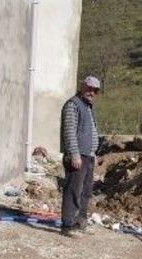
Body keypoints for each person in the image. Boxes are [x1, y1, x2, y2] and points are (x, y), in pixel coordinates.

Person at [59, 76, 101, 237]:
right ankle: (68, 225)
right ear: (82, 86)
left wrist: (93, 154)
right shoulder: (73, 105)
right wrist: (74, 154)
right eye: (89, 88)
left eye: (95, 90)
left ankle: (80, 223)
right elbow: (69, 132)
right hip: (78, 155)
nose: (92, 92)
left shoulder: (88, 106)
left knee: (86, 191)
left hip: (88, 155)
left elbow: (90, 131)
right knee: (73, 190)